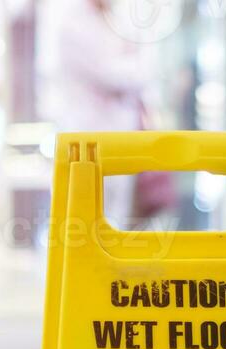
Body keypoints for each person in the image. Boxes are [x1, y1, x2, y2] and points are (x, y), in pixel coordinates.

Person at [38, 0, 154, 228]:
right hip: (86, 135)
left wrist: (135, 68)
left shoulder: (114, 20)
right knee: (85, 218)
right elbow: (112, 73)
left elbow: (141, 67)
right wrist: (135, 68)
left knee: (117, 219)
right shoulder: (73, 23)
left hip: (121, 136)